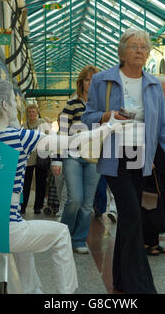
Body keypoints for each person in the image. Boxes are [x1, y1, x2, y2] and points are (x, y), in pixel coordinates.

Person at [81, 28, 165, 294]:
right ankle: (140, 286)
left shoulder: (153, 85)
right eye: (134, 46)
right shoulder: (103, 80)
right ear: (122, 50)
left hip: (140, 157)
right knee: (131, 215)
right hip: (114, 155)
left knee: (130, 218)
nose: (140, 50)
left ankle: (120, 277)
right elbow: (88, 117)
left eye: (144, 46)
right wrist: (108, 116)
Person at [0, 78, 78, 294]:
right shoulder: (19, 136)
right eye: (13, 100)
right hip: (7, 229)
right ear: (4, 105)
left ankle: (29, 291)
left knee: (25, 250)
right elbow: (69, 143)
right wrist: (107, 130)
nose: (17, 105)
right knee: (61, 233)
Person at [51, 65, 101, 255]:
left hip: (94, 159)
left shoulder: (101, 107)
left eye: (94, 79)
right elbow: (62, 132)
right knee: (75, 199)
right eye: (88, 80)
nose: (91, 83)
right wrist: (57, 159)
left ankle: (79, 239)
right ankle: (62, 238)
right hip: (73, 156)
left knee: (88, 204)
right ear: (82, 83)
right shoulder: (72, 104)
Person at [21, 104, 49, 214]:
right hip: (28, 158)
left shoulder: (42, 123)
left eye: (33, 111)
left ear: (37, 113)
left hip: (41, 157)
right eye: (29, 112)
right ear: (27, 113)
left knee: (40, 182)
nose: (31, 114)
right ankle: (23, 207)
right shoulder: (24, 126)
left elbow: (48, 138)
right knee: (26, 183)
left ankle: (38, 206)